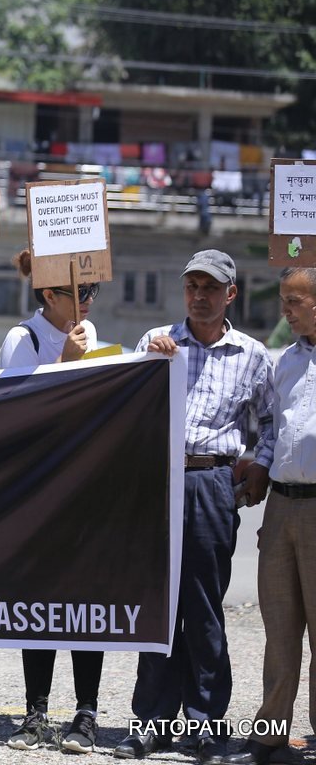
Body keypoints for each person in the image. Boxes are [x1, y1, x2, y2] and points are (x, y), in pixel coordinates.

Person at [115, 250, 272, 765]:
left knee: (204, 607)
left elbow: (268, 423)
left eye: (210, 287)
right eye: (192, 286)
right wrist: (149, 363)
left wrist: (258, 465)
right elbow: (128, 406)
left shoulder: (251, 354)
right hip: (159, 481)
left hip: (211, 480)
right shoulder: (158, 342)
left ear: (231, 294)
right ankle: (152, 723)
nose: (199, 295)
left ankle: (206, 721)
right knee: (160, 605)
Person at [0, 250, 104, 754]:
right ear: (48, 295)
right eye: (78, 294)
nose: (86, 303)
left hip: (83, 489)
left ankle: (86, 711)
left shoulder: (90, 335)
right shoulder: (25, 338)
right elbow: (13, 412)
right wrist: (66, 363)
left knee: (86, 602)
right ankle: (35, 711)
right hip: (37, 491)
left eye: (92, 293)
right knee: (38, 601)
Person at [226, 266, 316, 765]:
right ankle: (270, 738)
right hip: (282, 507)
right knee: (279, 630)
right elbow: (273, 435)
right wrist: (260, 468)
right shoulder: (284, 364)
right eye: (284, 299)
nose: (284, 309)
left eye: (294, 301)